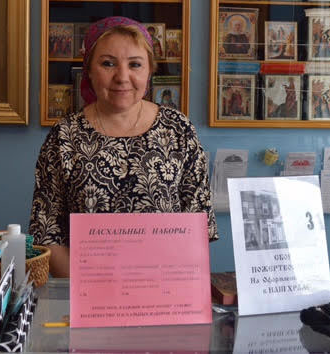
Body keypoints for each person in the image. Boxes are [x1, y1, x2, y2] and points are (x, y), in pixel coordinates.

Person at [29, 16, 218, 277]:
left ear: (149, 71)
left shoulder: (178, 130)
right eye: (108, 63)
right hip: (88, 293)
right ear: (89, 70)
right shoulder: (64, 136)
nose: (122, 77)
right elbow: (47, 232)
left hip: (164, 290)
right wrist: (94, 290)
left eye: (135, 64)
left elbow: (199, 224)